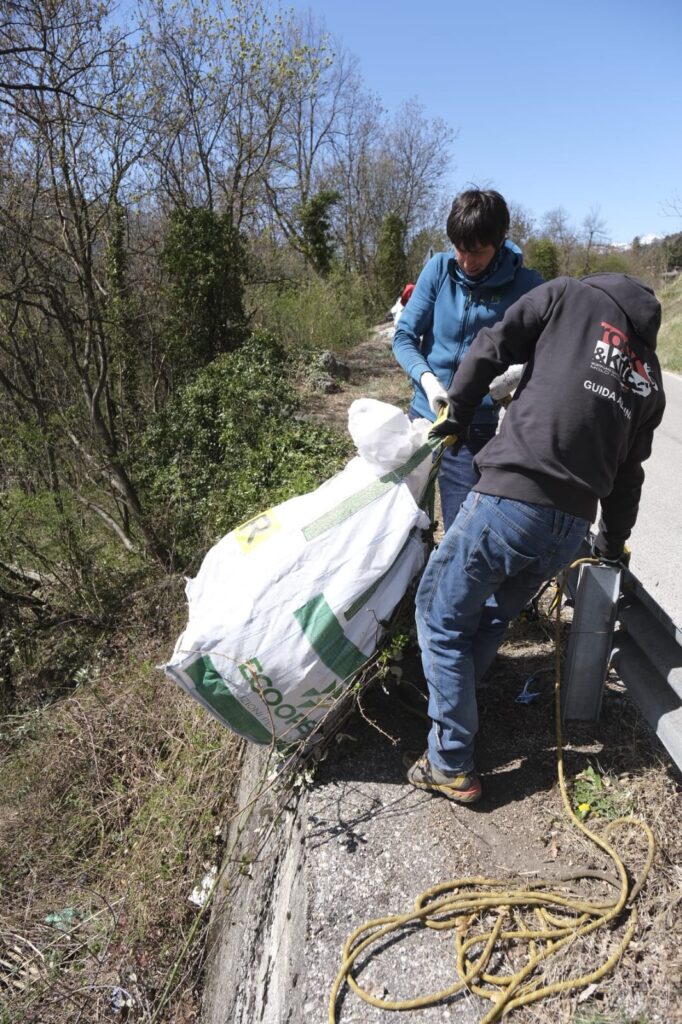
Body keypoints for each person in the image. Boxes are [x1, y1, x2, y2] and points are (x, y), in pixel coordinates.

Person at [406, 272, 666, 804]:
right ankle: (457, 704)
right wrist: (611, 545)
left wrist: (458, 411)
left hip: (511, 501)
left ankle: (450, 760)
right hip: (568, 529)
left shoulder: (568, 294)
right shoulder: (651, 377)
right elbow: (628, 478)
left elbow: (491, 344)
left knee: (438, 613)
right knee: (490, 616)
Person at [393, 188, 543, 532]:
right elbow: (403, 337)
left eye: (476, 252)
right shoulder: (439, 269)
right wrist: (428, 383)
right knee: (405, 523)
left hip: (474, 429)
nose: (465, 261)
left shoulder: (527, 286)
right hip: (423, 417)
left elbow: (550, 348)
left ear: (500, 241)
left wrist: (507, 380)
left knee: (463, 530)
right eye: (459, 248)